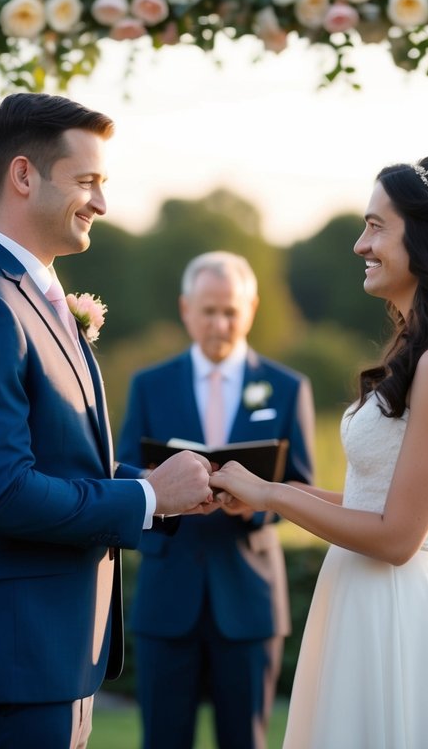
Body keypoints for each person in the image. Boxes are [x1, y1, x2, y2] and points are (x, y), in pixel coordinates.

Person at [0, 92, 215, 748]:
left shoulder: (31, 294)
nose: (101, 204)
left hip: (48, 652)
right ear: (24, 176)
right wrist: (146, 496)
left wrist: (178, 491)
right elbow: (2, 495)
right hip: (5, 657)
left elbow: (62, 462)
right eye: (87, 182)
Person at [209, 155, 428, 748]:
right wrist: (259, 490)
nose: (361, 245)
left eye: (376, 226)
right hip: (360, 596)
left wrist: (274, 495)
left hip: (399, 612)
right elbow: (372, 500)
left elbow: (397, 537)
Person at [116, 251, 315, 749]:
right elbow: (122, 476)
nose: (220, 322)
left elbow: (302, 483)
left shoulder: (289, 387)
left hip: (248, 595)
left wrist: (258, 504)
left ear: (251, 309)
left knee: (244, 741)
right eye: (209, 310)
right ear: (187, 310)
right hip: (167, 594)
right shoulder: (149, 385)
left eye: (230, 310)